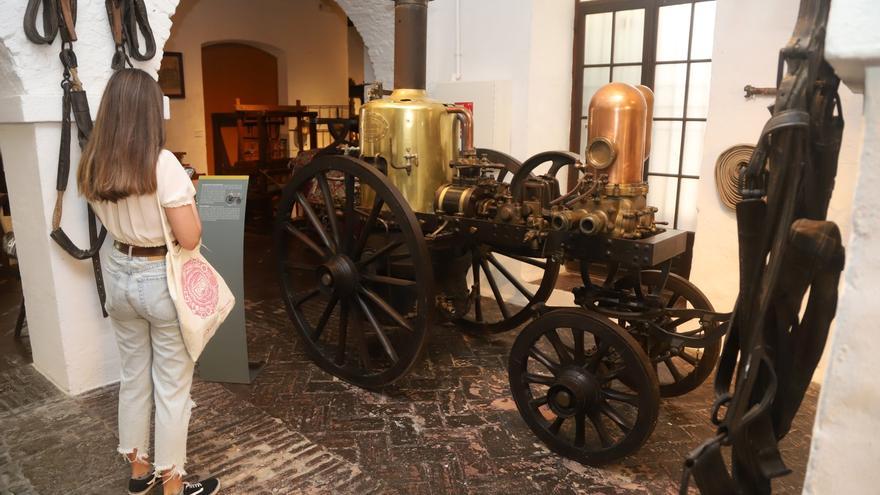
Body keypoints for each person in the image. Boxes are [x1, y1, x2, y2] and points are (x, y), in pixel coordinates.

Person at [78, 68, 220, 495]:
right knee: (172, 387)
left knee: (133, 377)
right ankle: (173, 486)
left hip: (118, 273)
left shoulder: (93, 161)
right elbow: (190, 236)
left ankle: (140, 475)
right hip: (160, 277)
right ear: (147, 113)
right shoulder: (162, 164)